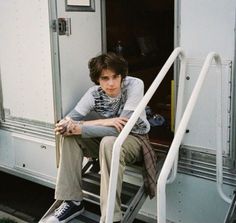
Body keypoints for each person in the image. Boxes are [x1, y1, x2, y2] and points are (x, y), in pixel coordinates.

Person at [46, 52, 157, 223]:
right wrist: (106, 122)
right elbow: (64, 124)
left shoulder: (134, 84)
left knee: (109, 142)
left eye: (115, 76)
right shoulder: (93, 93)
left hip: (134, 139)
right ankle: (72, 201)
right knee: (69, 136)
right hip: (106, 136)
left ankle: (111, 217)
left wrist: (81, 127)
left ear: (122, 76)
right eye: (105, 78)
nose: (111, 83)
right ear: (97, 80)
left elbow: (124, 129)